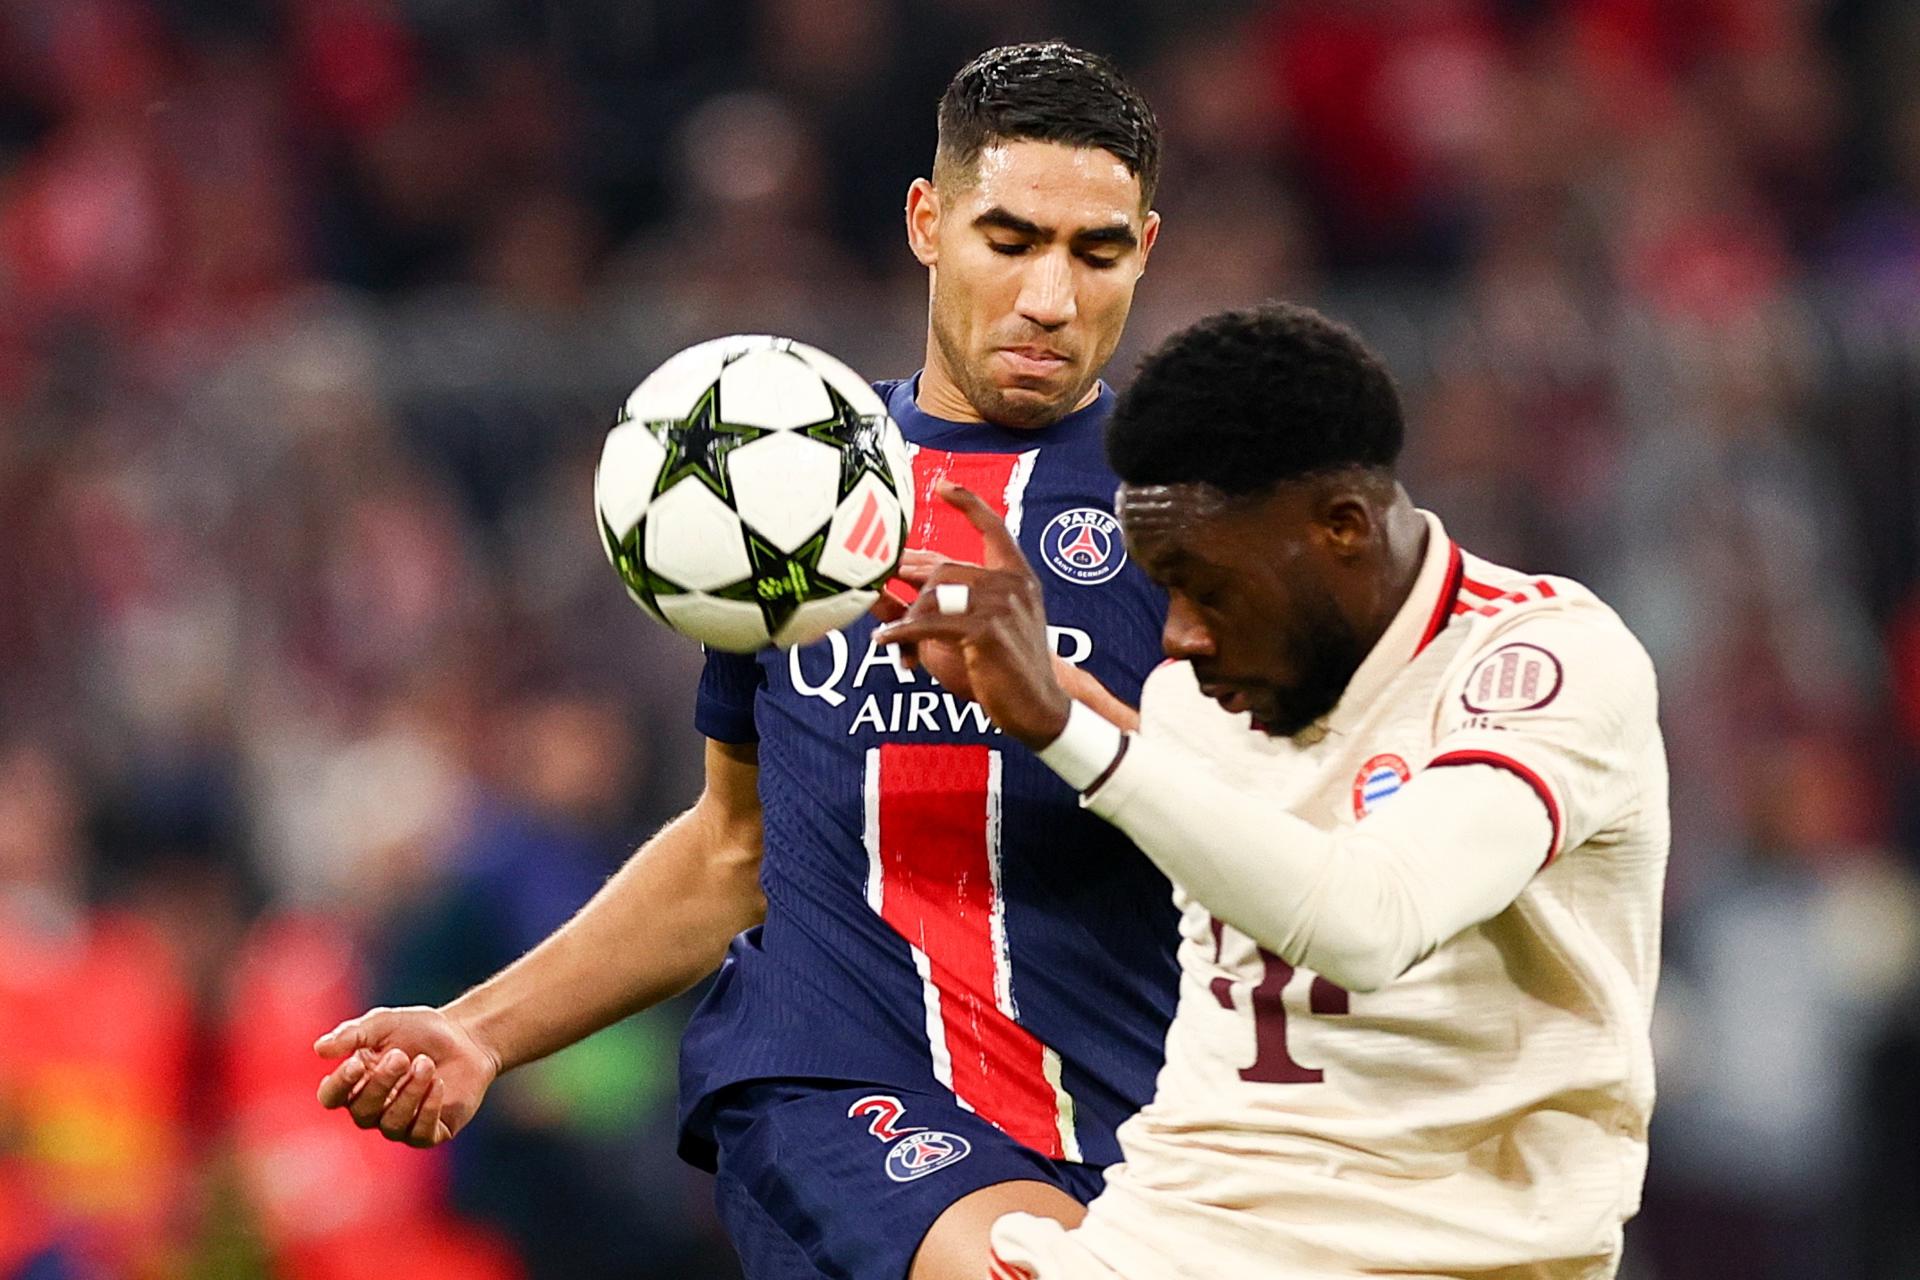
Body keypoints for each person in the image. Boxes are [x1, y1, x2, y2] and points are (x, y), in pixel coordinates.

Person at [314, 42, 1183, 1280]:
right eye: (1011, 239)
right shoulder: (794, 482)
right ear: (927, 223)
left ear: (1145, 250)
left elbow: (1281, 838)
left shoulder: (1191, 524)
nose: (1050, 294)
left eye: (1094, 253)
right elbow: (737, 845)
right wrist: (477, 1030)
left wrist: (1065, 712)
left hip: (1130, 1130)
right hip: (834, 1091)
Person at [876, 303, 1670, 1279]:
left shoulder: (1547, 663)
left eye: (1208, 587)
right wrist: (1055, 693)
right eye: (1161, 587)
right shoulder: (1191, 700)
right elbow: (1240, 819)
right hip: (1175, 1232)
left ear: (1342, 526)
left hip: (1446, 1255)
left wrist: (1065, 724)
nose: (1176, 636)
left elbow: (1371, 918)